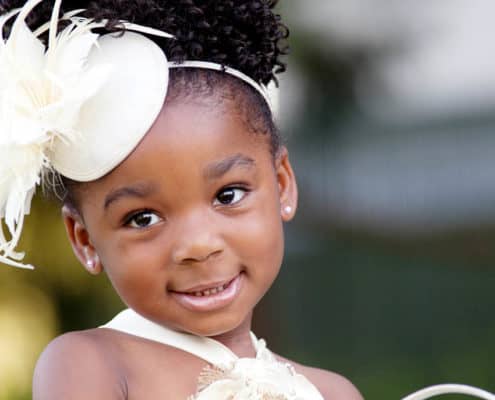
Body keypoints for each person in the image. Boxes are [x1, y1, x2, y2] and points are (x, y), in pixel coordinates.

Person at [0, 0, 364, 398]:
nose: (198, 245)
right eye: (142, 219)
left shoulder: (333, 392)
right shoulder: (90, 363)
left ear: (282, 184)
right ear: (85, 240)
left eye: (228, 195)